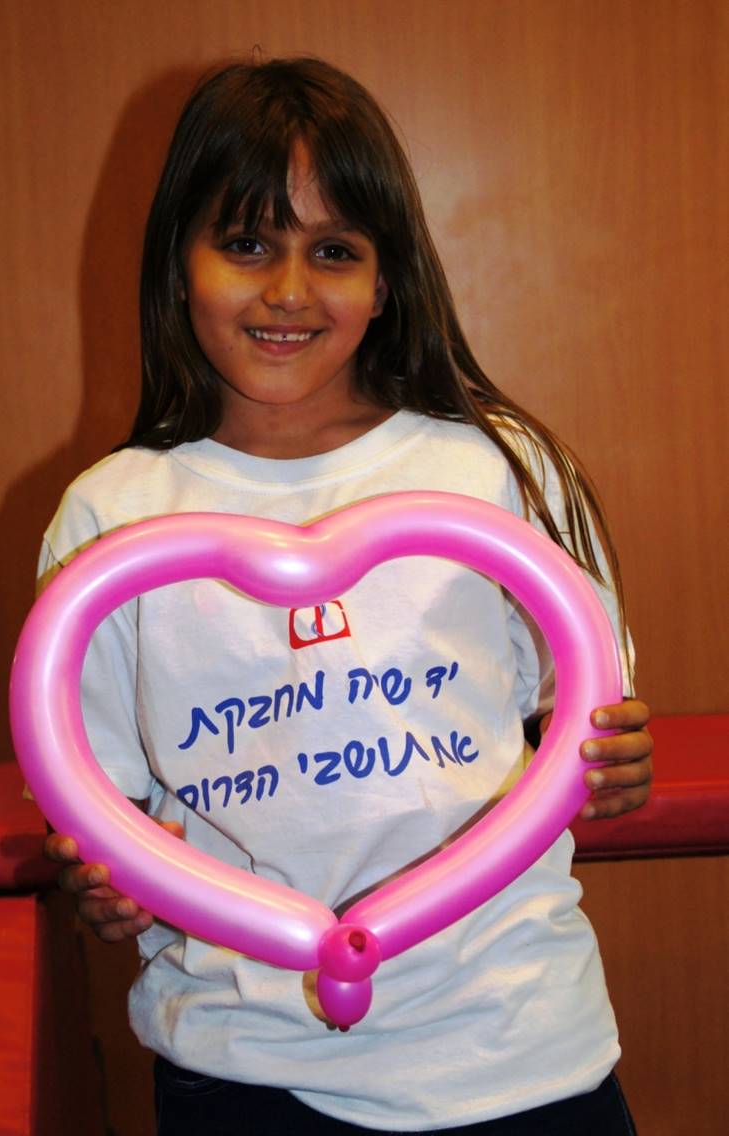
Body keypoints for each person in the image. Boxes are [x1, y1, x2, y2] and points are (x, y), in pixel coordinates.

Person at [42, 57, 652, 1135]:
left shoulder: (499, 468)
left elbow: (588, 714)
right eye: (245, 242)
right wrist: (100, 876)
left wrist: (611, 759)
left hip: (514, 1044)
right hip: (240, 1062)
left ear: (386, 279)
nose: (288, 288)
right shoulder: (112, 512)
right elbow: (101, 804)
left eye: (333, 250)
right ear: (178, 263)